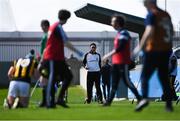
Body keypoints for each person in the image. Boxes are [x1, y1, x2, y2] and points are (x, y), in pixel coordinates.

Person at [133, 0, 174, 112]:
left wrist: (140, 46)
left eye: (145, 3)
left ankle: (145, 98)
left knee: (145, 76)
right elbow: (172, 32)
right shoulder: (166, 15)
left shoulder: (152, 14)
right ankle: (169, 105)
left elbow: (149, 30)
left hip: (153, 50)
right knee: (164, 78)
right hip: (166, 51)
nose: (144, 5)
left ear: (150, 2)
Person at [42, 9, 83, 108]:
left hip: (58, 58)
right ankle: (49, 102)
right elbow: (66, 42)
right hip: (52, 57)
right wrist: (78, 52)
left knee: (68, 76)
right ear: (66, 19)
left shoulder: (53, 26)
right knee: (52, 78)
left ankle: (59, 99)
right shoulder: (58, 27)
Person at [102, 15, 141, 106]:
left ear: (118, 23)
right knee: (114, 84)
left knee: (127, 82)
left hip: (122, 62)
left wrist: (108, 55)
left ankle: (140, 99)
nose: (111, 23)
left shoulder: (124, 33)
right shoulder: (119, 34)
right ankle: (108, 102)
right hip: (116, 63)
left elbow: (120, 47)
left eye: (113, 21)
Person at [38, 19, 50, 107]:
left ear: (44, 26)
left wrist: (42, 59)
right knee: (44, 81)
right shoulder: (45, 35)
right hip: (44, 60)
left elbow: (47, 48)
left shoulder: (48, 35)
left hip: (46, 60)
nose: (41, 28)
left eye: (41, 26)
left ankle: (46, 101)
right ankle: (45, 101)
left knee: (44, 80)